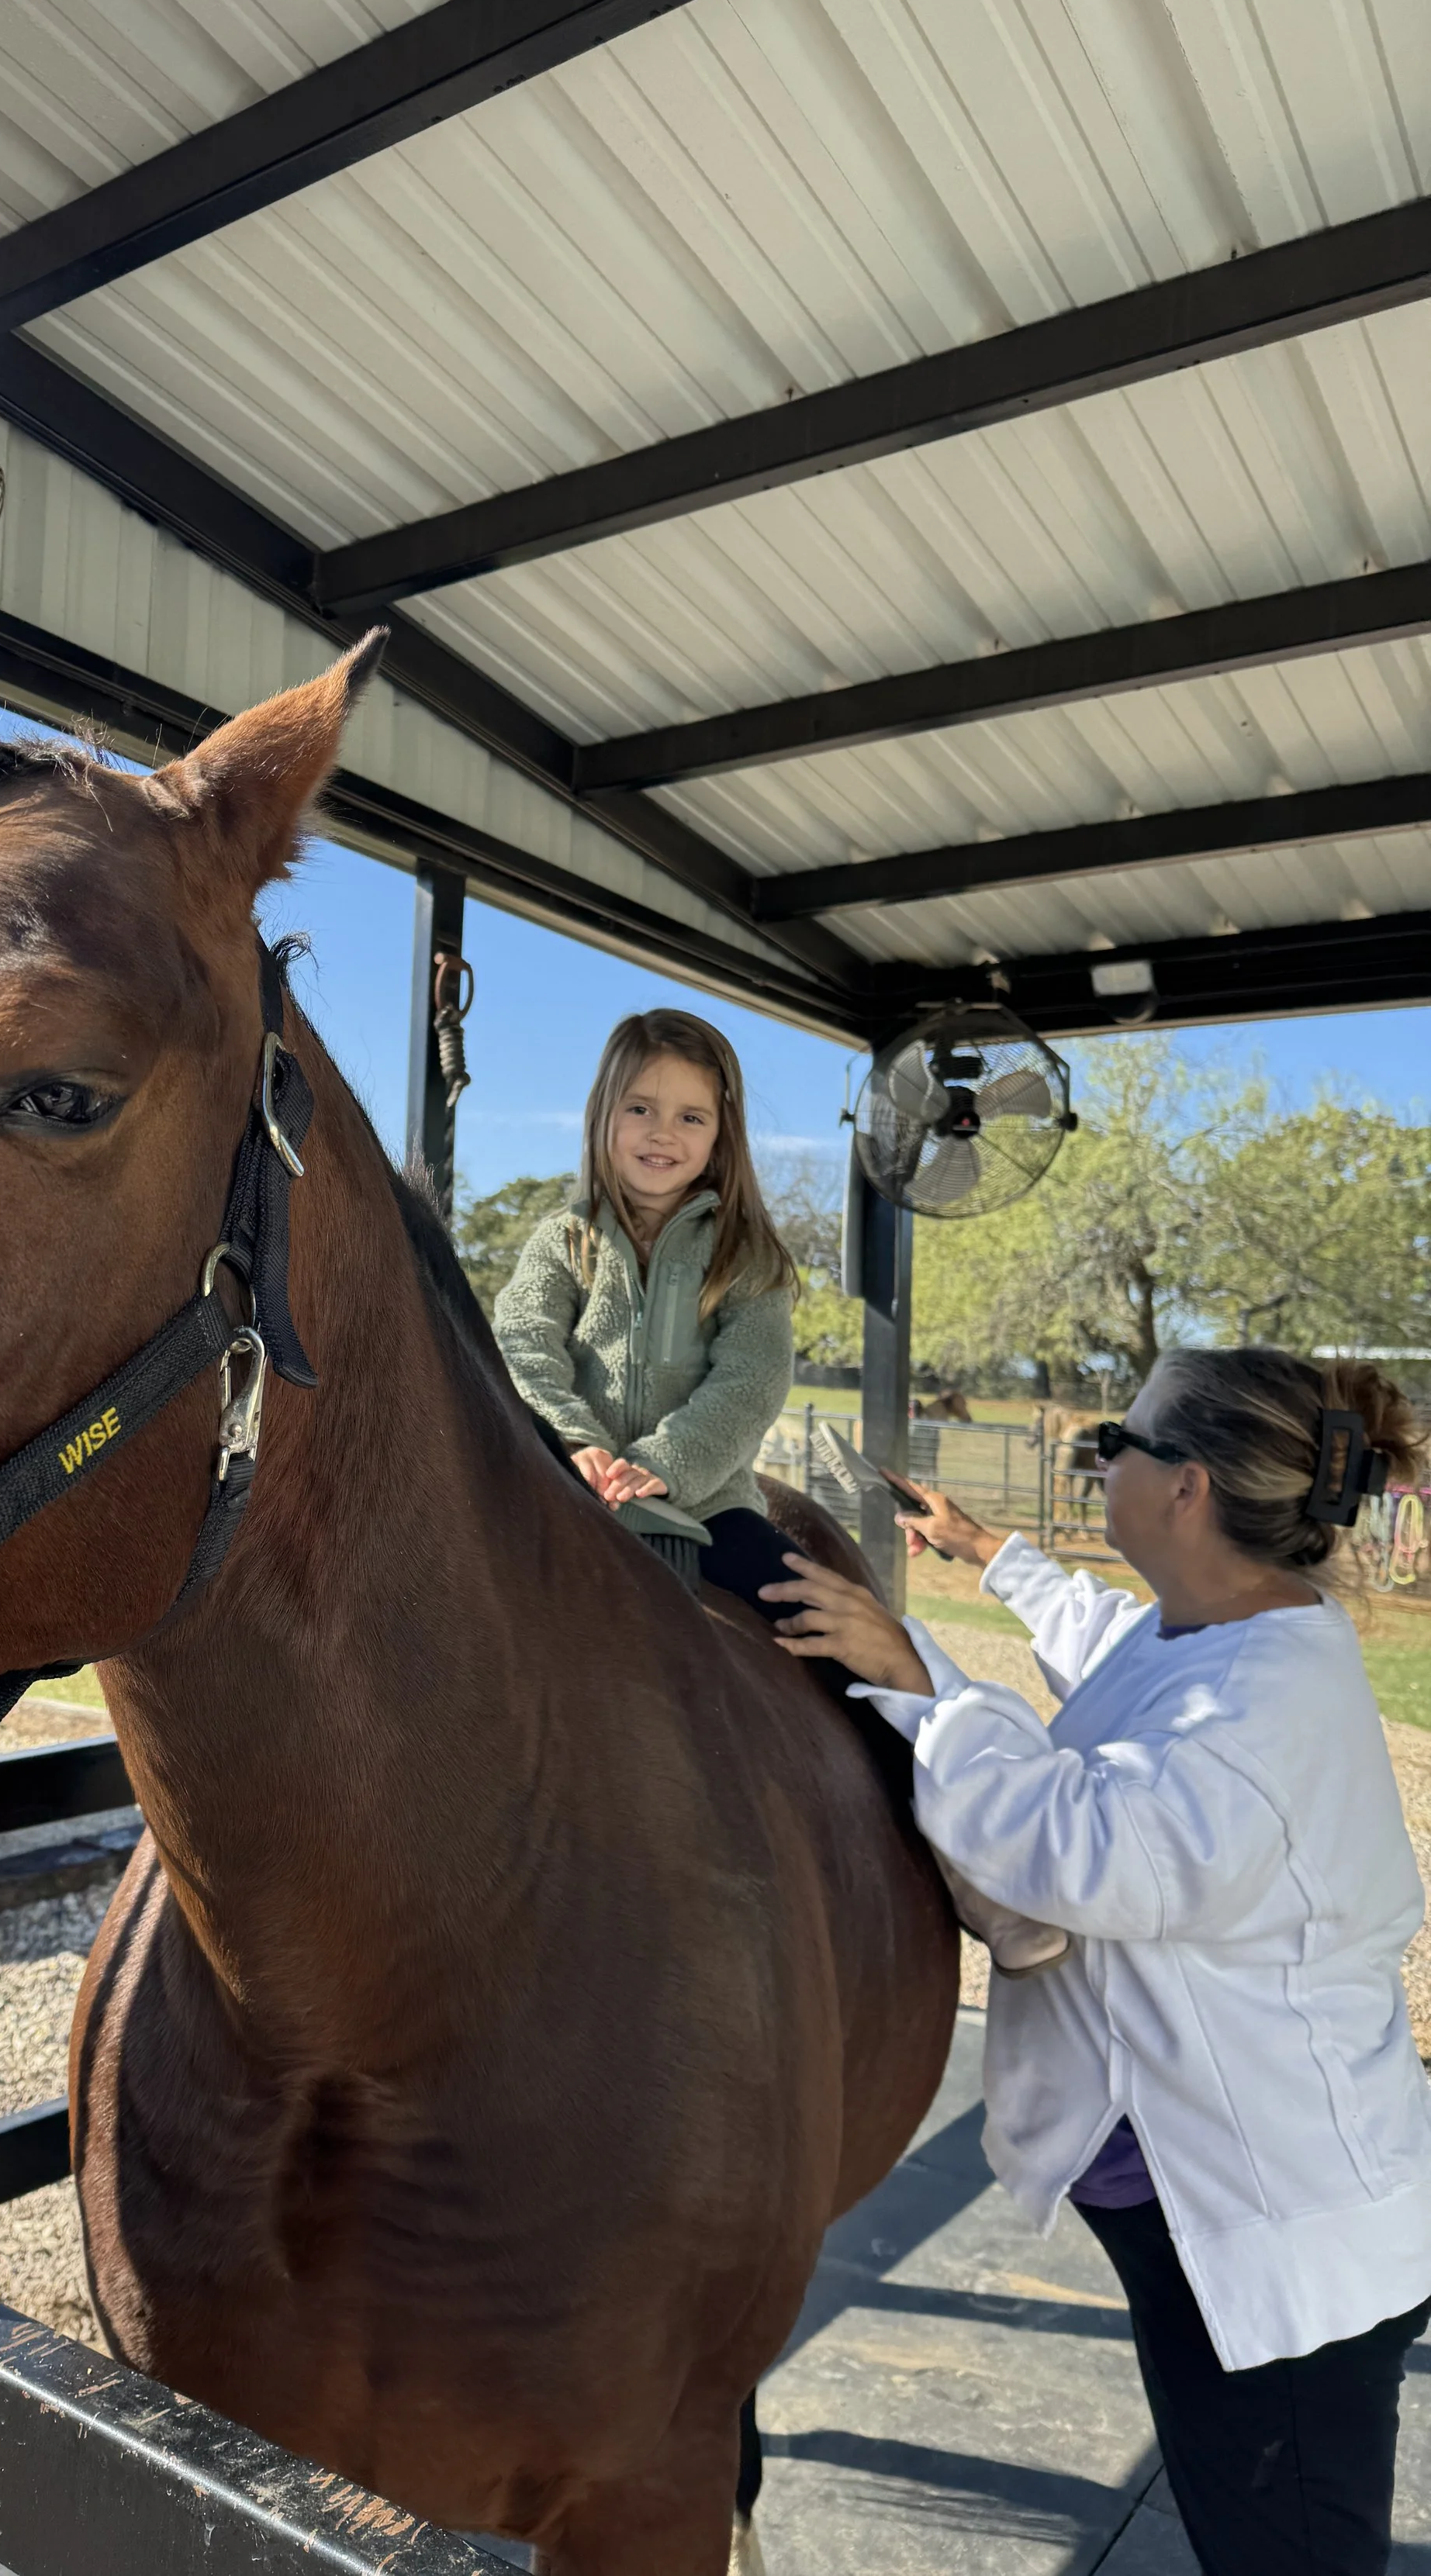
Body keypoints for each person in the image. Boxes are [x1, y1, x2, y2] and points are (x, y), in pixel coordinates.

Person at [762, 1348, 1431, 2576]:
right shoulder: (1231, 1628)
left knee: (1285, 2551)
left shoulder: (1253, 1721)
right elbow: (1119, 1650)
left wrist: (920, 1678)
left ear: (1186, 1488)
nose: (1102, 1455)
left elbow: (1077, 1848)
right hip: (1205, 2202)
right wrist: (990, 1555)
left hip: (1275, 2236)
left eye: (1125, 1438)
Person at [491, 1008, 798, 1620]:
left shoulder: (747, 1254)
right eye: (640, 1109)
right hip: (571, 1486)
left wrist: (662, 1465)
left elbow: (751, 1382)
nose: (663, 1133)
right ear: (603, 1115)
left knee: (808, 1608)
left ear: (719, 1136)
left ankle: (899, 1714)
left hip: (708, 1505)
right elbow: (522, 1343)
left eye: (690, 1117)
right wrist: (572, 1441)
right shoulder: (564, 1240)